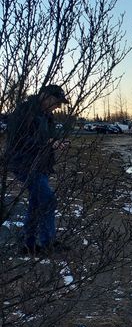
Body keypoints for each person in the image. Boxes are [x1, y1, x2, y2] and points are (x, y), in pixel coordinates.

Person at [5, 84, 70, 253]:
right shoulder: (25, 112)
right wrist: (46, 143)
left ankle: (29, 243)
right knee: (47, 200)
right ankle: (47, 243)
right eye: (57, 102)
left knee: (36, 201)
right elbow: (18, 141)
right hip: (24, 163)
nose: (58, 107)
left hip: (41, 164)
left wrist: (56, 142)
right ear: (45, 96)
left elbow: (47, 137)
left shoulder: (46, 116)